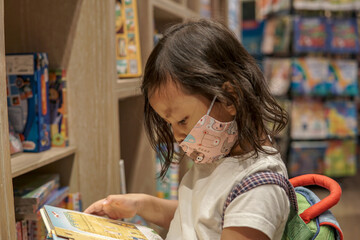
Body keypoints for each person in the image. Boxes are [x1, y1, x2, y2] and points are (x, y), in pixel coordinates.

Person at [85, 19, 290, 240]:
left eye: (182, 120)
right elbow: (199, 217)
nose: (176, 135)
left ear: (230, 98)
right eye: (169, 123)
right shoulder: (222, 154)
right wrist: (139, 205)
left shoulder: (257, 190)